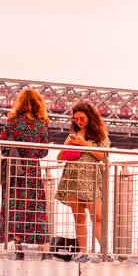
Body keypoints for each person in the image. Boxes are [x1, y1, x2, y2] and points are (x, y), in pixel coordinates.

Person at [55, 101, 110, 259]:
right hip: (73, 177)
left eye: (81, 118)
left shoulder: (100, 136)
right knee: (79, 217)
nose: (78, 121)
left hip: (91, 177)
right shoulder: (72, 136)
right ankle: (82, 252)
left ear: (89, 117)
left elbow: (103, 156)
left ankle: (106, 251)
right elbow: (59, 159)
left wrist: (85, 144)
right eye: (75, 119)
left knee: (97, 216)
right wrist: (67, 145)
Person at [0, 88, 51, 249]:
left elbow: (2, 142)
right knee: (36, 208)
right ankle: (45, 250)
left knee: (15, 207)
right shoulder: (42, 124)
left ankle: (19, 249)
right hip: (32, 171)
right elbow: (43, 151)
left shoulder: (12, 122)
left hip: (14, 169)